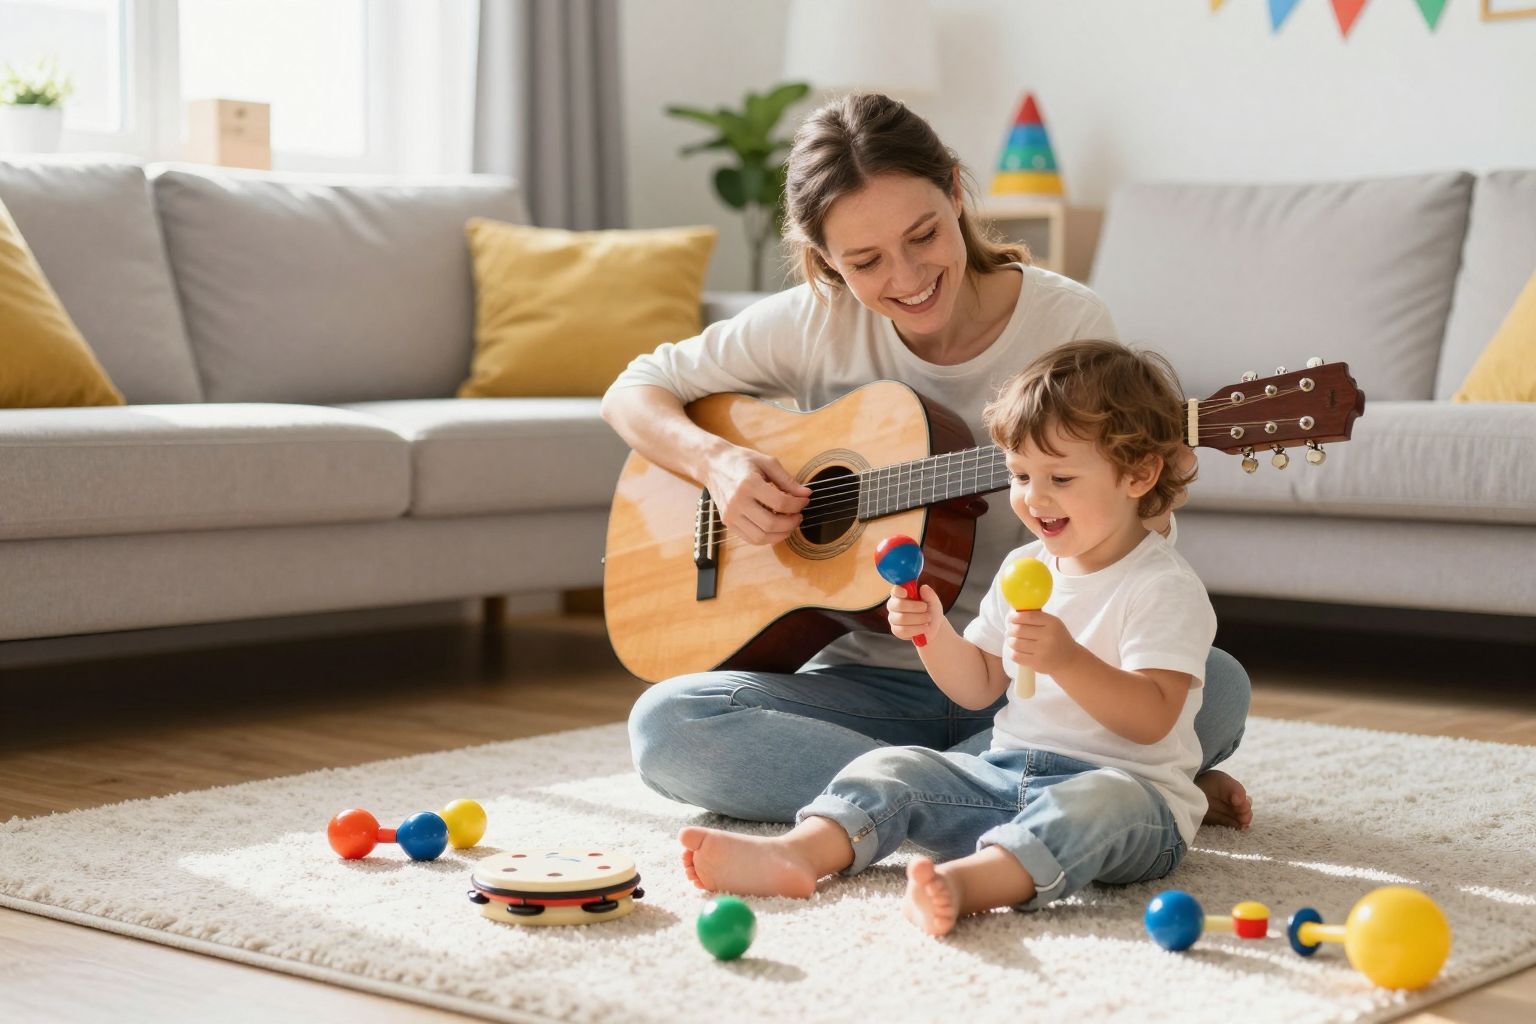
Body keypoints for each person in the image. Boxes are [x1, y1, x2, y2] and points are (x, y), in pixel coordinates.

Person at [600, 92, 1252, 834]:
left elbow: (1128, 540)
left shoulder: (1067, 324)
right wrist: (718, 463)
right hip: (860, 686)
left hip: (1028, 680)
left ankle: (909, 797)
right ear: (825, 262)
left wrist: (1137, 506)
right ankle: (1037, 793)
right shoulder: (817, 321)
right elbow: (634, 389)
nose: (907, 276)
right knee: (668, 726)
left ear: (953, 189)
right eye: (866, 261)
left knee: (1216, 684)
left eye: (923, 235)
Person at [679, 340, 1217, 935]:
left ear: (1139, 474)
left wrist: (1066, 660)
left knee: (1097, 802)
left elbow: (1152, 719)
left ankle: (972, 884)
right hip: (1008, 775)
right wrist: (933, 635)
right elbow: (978, 687)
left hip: (1134, 802)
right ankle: (799, 853)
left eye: (1060, 477)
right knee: (895, 765)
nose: (1034, 499)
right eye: (1019, 475)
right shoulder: (1024, 568)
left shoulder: (1163, 586)